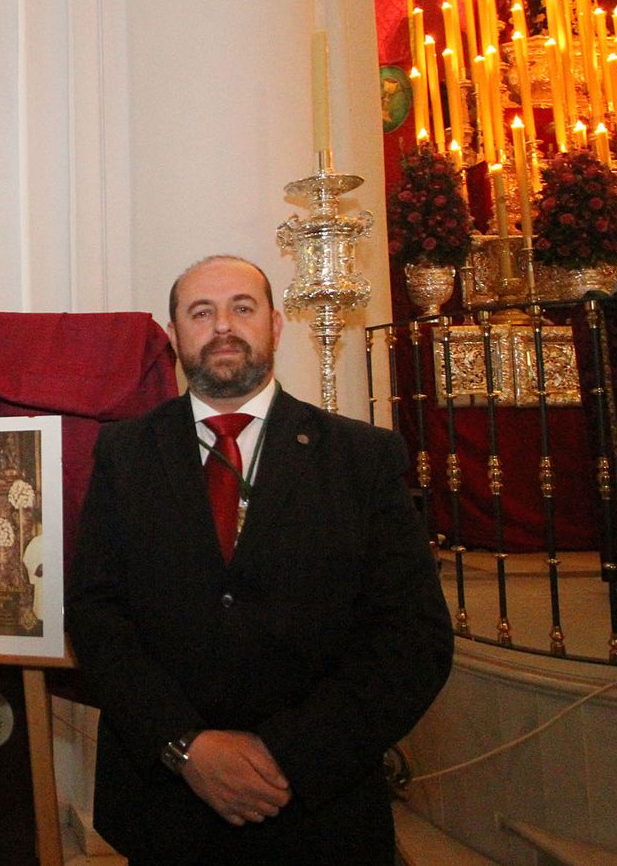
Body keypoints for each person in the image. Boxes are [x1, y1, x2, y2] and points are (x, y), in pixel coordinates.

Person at [65, 255, 453, 865]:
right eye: (201, 312)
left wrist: (287, 755)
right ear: (173, 336)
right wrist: (186, 746)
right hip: (165, 809)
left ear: (275, 324)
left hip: (319, 810)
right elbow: (96, 615)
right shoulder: (125, 453)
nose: (223, 326)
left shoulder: (363, 458)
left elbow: (414, 637)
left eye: (242, 308)